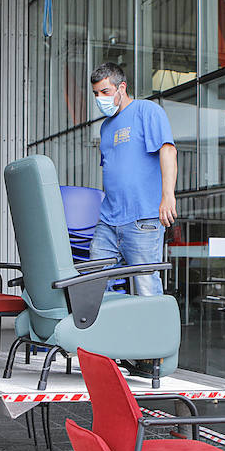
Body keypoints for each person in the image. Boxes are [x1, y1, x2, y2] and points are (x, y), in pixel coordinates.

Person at [88, 62, 176, 296]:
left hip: (142, 218)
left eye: (105, 92)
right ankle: (104, 333)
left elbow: (168, 150)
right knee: (94, 282)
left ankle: (154, 333)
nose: (100, 98)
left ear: (121, 88)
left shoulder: (147, 111)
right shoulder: (105, 127)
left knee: (146, 287)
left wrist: (168, 196)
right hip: (108, 220)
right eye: (96, 94)